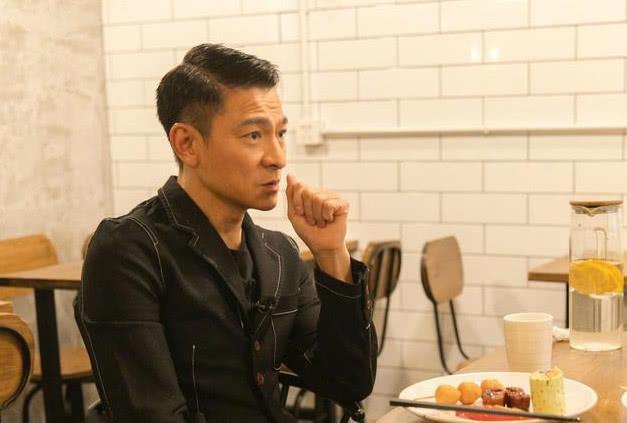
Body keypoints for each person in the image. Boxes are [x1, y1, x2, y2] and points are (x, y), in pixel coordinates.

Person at [75, 43, 377, 423]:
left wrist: (331, 255)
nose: (278, 157)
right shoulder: (129, 251)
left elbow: (349, 382)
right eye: (253, 135)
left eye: (280, 133)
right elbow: (151, 414)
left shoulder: (278, 254)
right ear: (187, 144)